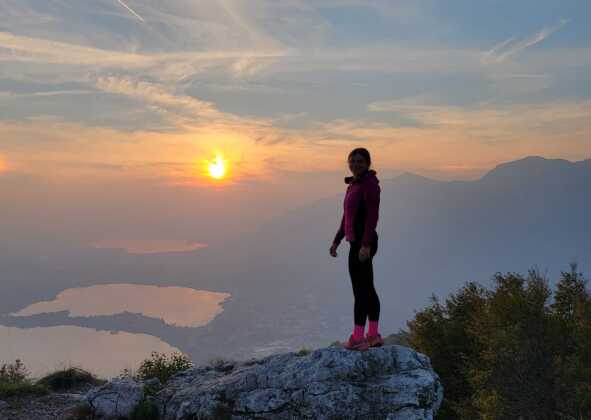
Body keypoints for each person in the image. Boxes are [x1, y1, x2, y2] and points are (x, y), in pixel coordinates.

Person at [330, 148, 384, 351]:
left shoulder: (369, 185)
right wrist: (336, 241)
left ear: (368, 163)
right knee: (367, 288)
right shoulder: (354, 185)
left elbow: (372, 217)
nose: (355, 164)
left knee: (360, 290)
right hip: (356, 243)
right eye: (352, 161)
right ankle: (373, 335)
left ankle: (358, 337)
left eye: (360, 161)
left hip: (363, 244)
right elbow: (347, 217)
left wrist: (365, 245)